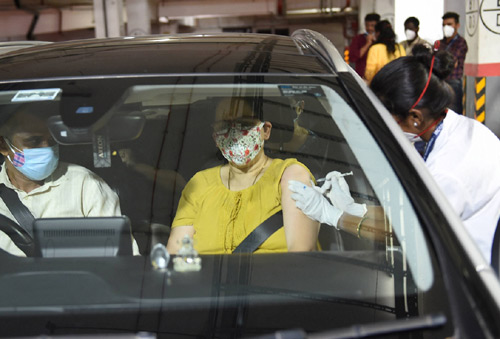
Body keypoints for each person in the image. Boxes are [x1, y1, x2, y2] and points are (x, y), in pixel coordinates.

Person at [290, 45, 500, 263]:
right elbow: (410, 213)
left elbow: (406, 232)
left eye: (388, 120)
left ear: (415, 118)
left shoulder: (448, 173)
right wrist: (356, 207)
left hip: (474, 271)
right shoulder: (462, 127)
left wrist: (333, 216)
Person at [166, 97, 320, 254]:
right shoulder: (200, 183)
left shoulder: (289, 175)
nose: (234, 133)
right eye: (225, 126)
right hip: (205, 278)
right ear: (215, 138)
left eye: (244, 124)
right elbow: (175, 254)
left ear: (265, 130)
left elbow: (301, 255)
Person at [0, 103, 139, 256]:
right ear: (4, 145)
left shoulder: (85, 183)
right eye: (34, 141)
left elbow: (122, 256)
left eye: (52, 141)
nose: (47, 149)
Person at [436, 12, 468, 114]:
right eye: (444, 25)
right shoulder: (439, 43)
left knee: (453, 113)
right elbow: (434, 60)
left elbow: (451, 62)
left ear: (457, 25)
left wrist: (440, 60)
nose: (446, 27)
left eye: (449, 24)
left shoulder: (461, 43)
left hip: (453, 82)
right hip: (439, 82)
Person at [349, 13, 380, 77]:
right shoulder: (358, 38)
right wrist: (368, 44)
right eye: (367, 25)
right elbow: (352, 58)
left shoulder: (381, 41)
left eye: (372, 26)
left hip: (378, 77)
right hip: (361, 77)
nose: (369, 28)